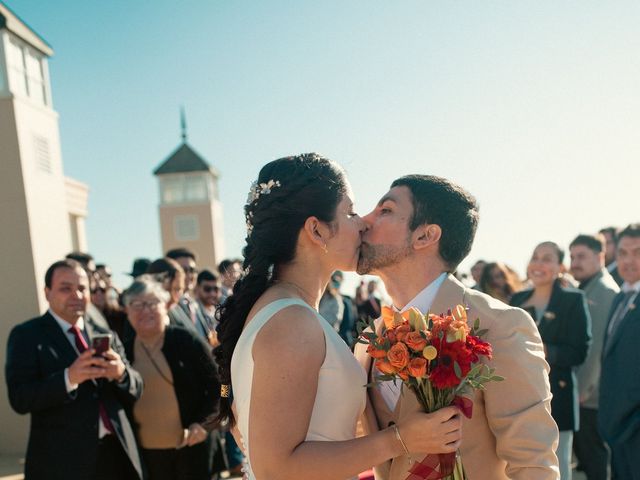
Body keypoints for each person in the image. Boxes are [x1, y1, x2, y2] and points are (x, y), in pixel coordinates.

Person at [214, 154, 463, 480]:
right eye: (349, 211)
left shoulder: (286, 311)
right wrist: (401, 440)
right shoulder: (291, 322)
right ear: (316, 230)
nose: (362, 222)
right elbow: (276, 467)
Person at [356, 175, 559, 480]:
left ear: (425, 236)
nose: (363, 221)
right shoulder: (367, 340)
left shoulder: (500, 325)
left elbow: (533, 462)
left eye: (384, 210)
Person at [5, 259, 144, 479]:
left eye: (82, 288)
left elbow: (136, 388)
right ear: (47, 292)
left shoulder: (104, 333)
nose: (77, 296)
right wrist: (68, 378)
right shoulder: (27, 336)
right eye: (65, 288)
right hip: (63, 463)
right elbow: (20, 398)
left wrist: (121, 374)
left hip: (117, 456)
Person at [121, 276, 221, 480]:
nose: (145, 310)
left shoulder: (186, 341)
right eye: (137, 304)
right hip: (147, 455)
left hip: (190, 448)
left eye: (152, 303)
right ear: (127, 310)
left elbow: (222, 386)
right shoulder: (123, 349)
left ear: (165, 305)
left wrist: (205, 423)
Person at [511, 241, 592, 479]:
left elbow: (580, 351)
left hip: (558, 399)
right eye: (535, 257)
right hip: (518, 399)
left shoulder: (573, 300)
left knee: (558, 470)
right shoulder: (517, 299)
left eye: (547, 258)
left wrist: (545, 350)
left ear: (560, 267)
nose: (539, 263)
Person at [569, 234, 619, 480]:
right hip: (587, 393)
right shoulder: (588, 288)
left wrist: (581, 389)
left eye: (581, 256)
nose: (574, 262)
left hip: (591, 396)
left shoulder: (603, 292)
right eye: (571, 256)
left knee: (595, 460)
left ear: (600, 256)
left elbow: (597, 347)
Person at [598, 223, 640, 480]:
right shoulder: (620, 298)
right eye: (623, 253)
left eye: (637, 252)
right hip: (617, 426)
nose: (628, 260)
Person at [147, 257, 196, 333]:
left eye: (178, 290)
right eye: (167, 290)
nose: (173, 298)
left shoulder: (178, 310)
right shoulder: (141, 318)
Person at [194, 269, 223, 346]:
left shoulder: (219, 312)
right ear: (197, 288)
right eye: (207, 289)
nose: (212, 294)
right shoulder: (192, 312)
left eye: (216, 289)